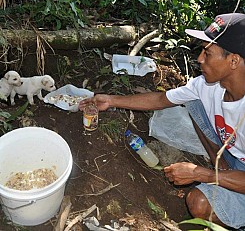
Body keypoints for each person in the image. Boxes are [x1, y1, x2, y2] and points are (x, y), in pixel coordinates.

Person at [79, 13, 245, 229]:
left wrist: (199, 174)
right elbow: (161, 99)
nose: (200, 59)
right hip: (232, 157)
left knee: (199, 202)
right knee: (193, 101)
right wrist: (110, 100)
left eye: (208, 52)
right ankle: (220, 167)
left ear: (233, 60)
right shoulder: (206, 86)